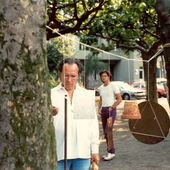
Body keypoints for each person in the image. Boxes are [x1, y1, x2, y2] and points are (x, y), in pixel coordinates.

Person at [51, 57, 100, 170]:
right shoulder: (51, 94)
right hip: (58, 154)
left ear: (78, 75)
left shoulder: (84, 95)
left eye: (73, 76)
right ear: (60, 73)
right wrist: (48, 115)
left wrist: (94, 150)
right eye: (66, 75)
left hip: (82, 154)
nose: (69, 80)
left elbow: (91, 126)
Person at [98, 70, 122, 161]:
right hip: (103, 110)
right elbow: (100, 99)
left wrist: (112, 107)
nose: (103, 77)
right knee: (105, 133)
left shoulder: (113, 85)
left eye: (105, 76)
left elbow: (119, 99)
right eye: (102, 76)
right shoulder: (101, 87)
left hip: (110, 110)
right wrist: (99, 108)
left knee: (108, 132)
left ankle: (111, 152)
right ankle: (110, 151)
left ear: (109, 76)